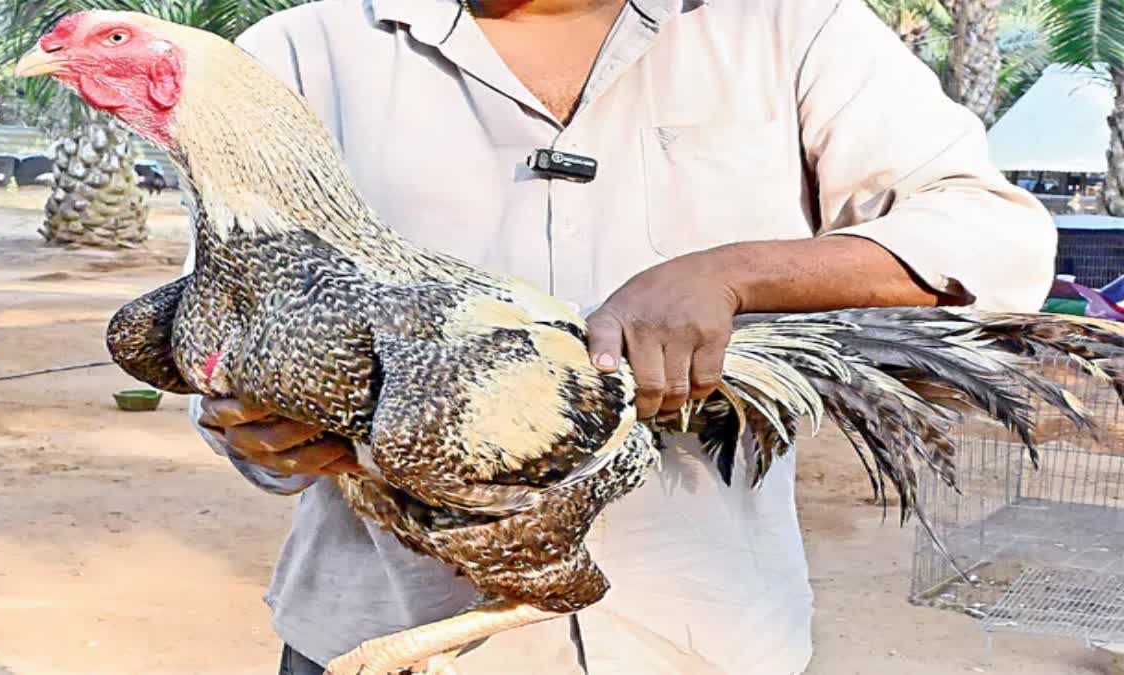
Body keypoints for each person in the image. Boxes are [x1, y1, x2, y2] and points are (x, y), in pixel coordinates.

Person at [191, 0, 1056, 673]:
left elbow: (1000, 238)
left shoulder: (789, 26)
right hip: (380, 629)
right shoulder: (301, 52)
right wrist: (263, 431)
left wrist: (732, 271)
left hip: (698, 637)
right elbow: (227, 329)